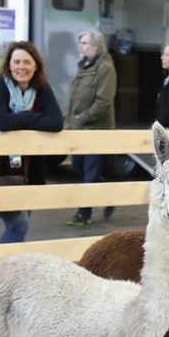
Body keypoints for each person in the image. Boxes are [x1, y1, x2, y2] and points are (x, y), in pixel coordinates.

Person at [0, 41, 63, 242]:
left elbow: (56, 122)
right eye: (16, 61)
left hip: (29, 167)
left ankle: (8, 271)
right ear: (9, 64)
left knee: (22, 223)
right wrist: (33, 117)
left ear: (36, 66)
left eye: (27, 62)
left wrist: (19, 120)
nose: (21, 67)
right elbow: (1, 121)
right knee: (19, 225)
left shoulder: (41, 88)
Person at [64, 30, 116, 227]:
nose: (81, 46)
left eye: (85, 43)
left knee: (89, 173)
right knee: (78, 167)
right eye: (81, 43)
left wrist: (81, 118)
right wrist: (69, 120)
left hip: (96, 131)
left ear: (97, 46)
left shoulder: (106, 68)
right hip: (79, 130)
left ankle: (83, 213)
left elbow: (104, 102)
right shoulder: (83, 66)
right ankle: (109, 194)